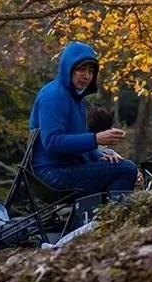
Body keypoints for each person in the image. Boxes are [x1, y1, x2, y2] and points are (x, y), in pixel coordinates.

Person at [29, 41, 139, 194]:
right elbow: (52, 142)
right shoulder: (53, 95)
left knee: (119, 164)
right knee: (126, 169)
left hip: (67, 167)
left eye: (91, 71)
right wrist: (95, 139)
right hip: (51, 173)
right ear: (68, 68)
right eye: (81, 69)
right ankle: (111, 209)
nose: (86, 76)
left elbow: (76, 143)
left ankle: (102, 208)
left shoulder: (76, 100)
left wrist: (99, 154)